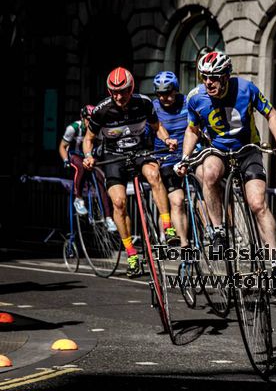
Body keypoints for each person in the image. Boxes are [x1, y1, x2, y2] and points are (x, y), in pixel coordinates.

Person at [177, 51, 276, 290]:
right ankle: (218, 230)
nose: (209, 82)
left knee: (258, 203)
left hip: (247, 149)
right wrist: (185, 157)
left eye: (215, 77)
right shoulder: (196, 98)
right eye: (204, 77)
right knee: (208, 173)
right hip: (218, 149)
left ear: (227, 76)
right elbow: (192, 129)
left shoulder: (246, 89)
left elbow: (270, 113)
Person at [82, 67, 179, 278]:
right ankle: (132, 253)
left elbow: (157, 127)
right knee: (118, 202)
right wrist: (89, 156)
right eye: (114, 92)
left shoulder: (143, 103)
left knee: (154, 175)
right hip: (113, 156)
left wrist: (167, 139)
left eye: (124, 91)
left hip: (139, 151)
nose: (119, 97)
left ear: (131, 88)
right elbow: (88, 139)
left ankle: (167, 226)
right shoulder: (101, 111)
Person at [58, 105, 117, 231]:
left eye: (93, 119)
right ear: (82, 117)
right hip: (75, 155)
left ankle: (108, 217)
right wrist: (65, 160)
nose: (90, 122)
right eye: (88, 119)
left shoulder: (98, 129)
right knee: (81, 167)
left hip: (89, 158)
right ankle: (78, 199)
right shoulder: (73, 128)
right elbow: (62, 146)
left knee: (102, 180)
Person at [152, 71, 191, 248]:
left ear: (175, 89)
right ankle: (183, 243)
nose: (164, 97)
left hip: (188, 156)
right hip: (166, 160)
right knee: (176, 201)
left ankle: (213, 232)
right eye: (160, 93)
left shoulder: (188, 103)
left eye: (168, 92)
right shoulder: (153, 108)